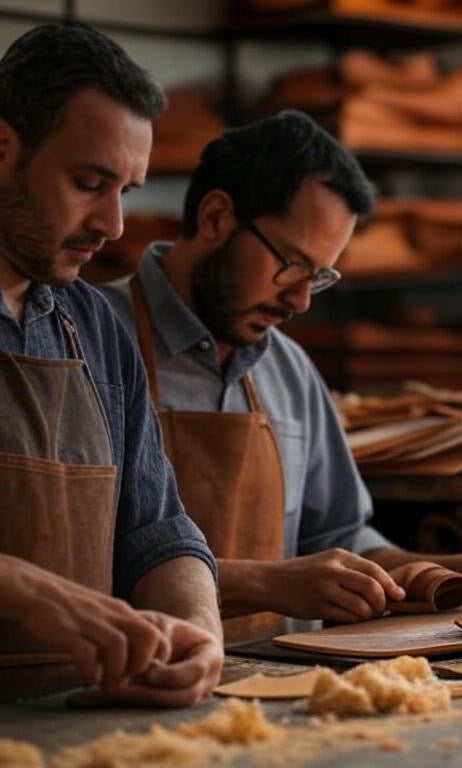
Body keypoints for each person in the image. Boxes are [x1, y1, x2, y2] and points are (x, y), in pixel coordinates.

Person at [99, 110, 462, 638]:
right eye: (293, 265)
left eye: (319, 277)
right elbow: (60, 560)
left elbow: (342, 538)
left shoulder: (289, 371)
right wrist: (269, 583)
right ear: (215, 217)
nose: (300, 301)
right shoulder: (85, 341)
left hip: (274, 694)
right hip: (119, 691)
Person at [0, 23, 222, 706]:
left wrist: (197, 627)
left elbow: (154, 529)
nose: (114, 224)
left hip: (76, 725)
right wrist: (25, 589)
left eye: (126, 190)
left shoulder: (94, 325)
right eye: (90, 183)